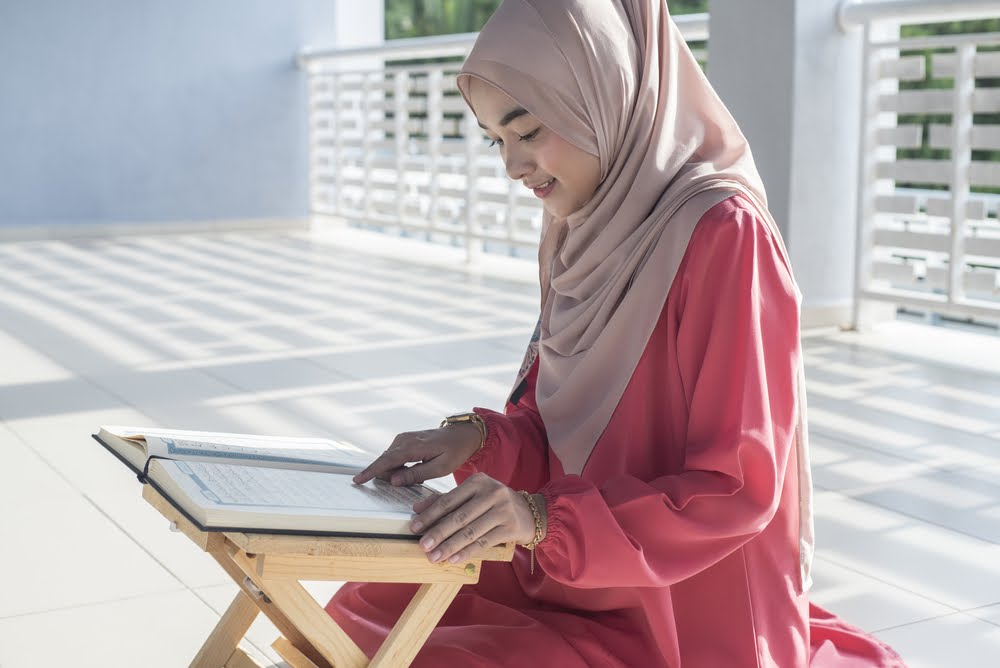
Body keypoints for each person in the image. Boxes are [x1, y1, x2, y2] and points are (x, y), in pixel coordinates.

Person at [326, 1, 905, 665]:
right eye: (496, 140)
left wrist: (542, 519)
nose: (512, 166)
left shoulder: (724, 235)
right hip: (579, 565)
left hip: (685, 601)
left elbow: (737, 488)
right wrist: (477, 440)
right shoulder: (581, 233)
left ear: (605, 94)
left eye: (529, 130)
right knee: (368, 608)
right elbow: (558, 438)